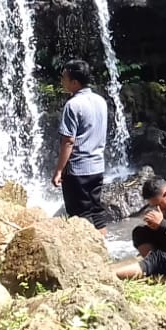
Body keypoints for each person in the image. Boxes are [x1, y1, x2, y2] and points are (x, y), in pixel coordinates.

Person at [51, 59, 109, 234]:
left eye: (64, 78)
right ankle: (104, 251)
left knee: (79, 217)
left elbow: (68, 141)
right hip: (97, 166)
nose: (62, 81)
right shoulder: (100, 100)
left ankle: (87, 254)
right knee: (97, 212)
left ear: (74, 82)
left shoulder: (72, 105)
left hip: (78, 170)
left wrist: (59, 170)